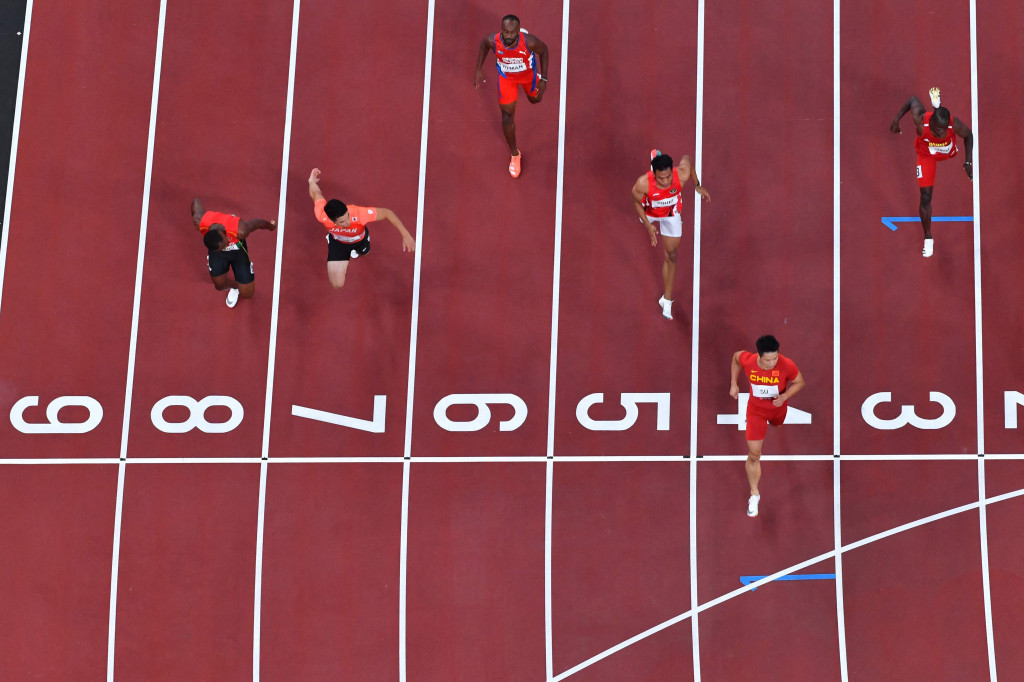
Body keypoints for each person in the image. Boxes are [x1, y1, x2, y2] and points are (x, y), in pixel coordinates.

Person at [890, 87, 973, 257]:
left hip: (947, 152)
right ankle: (928, 237)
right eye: (938, 130)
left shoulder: (953, 123)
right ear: (931, 123)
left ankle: (937, 105)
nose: (942, 133)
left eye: (944, 130)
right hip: (926, 155)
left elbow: (969, 135)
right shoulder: (922, 121)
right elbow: (912, 99)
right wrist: (896, 119)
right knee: (926, 197)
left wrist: (968, 161)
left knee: (949, 143)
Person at [729, 335, 805, 518]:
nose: (772, 363)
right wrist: (734, 383)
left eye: (775, 358)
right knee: (754, 455)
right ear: (759, 356)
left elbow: (799, 382)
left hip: (778, 408)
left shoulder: (786, 364)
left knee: (777, 425)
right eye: (768, 359)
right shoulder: (748, 361)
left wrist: (785, 396)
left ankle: (775, 422)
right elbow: (735, 357)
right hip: (756, 412)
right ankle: (754, 493)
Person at [631, 150, 710, 319]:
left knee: (672, 255)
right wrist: (647, 225)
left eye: (668, 177)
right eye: (661, 178)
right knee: (644, 217)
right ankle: (655, 157)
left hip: (671, 215)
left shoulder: (681, 174)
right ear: (654, 174)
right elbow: (636, 202)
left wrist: (697, 185)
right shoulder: (643, 183)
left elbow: (688, 160)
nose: (666, 181)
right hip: (650, 211)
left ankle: (666, 299)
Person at [307, 168, 415, 289]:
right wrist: (312, 182)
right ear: (332, 220)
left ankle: (359, 248)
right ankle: (336, 243)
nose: (348, 222)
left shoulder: (358, 214)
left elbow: (387, 213)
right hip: (338, 242)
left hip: (359, 238)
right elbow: (316, 194)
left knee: (365, 251)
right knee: (337, 283)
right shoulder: (322, 215)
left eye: (347, 216)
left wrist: (405, 234)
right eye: (342, 221)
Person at [473, 14, 549, 178]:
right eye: (505, 32)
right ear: (501, 30)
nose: (508, 36)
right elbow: (484, 45)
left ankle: (535, 78)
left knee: (535, 100)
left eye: (512, 33)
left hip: (528, 76)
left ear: (518, 33)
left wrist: (543, 78)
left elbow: (544, 51)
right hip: (507, 80)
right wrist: (478, 69)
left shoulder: (529, 41)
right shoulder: (493, 41)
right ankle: (515, 154)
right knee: (507, 116)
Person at [191, 198, 276, 308]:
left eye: (225, 244)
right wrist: (219, 249)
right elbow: (195, 202)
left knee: (247, 293)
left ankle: (242, 283)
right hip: (218, 255)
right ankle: (235, 287)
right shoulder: (199, 222)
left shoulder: (240, 230)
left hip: (237, 251)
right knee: (219, 285)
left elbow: (257, 223)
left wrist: (271, 226)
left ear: (223, 234)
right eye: (222, 247)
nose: (225, 247)